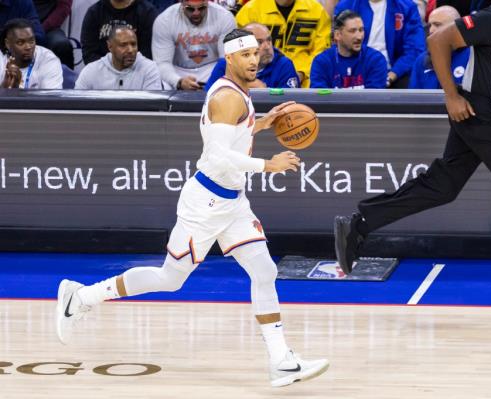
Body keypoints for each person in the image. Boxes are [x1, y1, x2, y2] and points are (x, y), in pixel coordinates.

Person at [56, 28, 329, 388]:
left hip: (232, 203)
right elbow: (217, 154)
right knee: (170, 279)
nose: (253, 59)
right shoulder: (227, 98)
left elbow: (231, 137)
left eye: (255, 53)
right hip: (206, 204)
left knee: (264, 270)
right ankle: (82, 297)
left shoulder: (238, 96)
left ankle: (281, 361)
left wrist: (258, 125)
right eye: (244, 54)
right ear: (228, 58)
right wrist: (268, 165)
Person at [333, 0, 491, 310]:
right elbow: (437, 40)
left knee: (442, 186)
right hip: (478, 110)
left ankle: (359, 224)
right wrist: (451, 95)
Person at [235, 0, 331, 87]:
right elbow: (241, 50)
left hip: (308, 81)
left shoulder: (317, 11)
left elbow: (321, 54)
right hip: (264, 77)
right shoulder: (250, 11)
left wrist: (302, 72)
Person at [334, 0, 425, 88]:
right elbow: (340, 45)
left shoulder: (407, 7)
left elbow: (414, 49)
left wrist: (392, 75)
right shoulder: (346, 5)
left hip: (395, 73)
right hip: (355, 71)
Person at [152, 0, 236, 90]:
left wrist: (212, 83)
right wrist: (178, 81)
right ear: (182, 4)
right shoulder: (165, 20)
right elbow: (162, 63)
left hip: (213, 70)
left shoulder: (224, 17)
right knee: (161, 85)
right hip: (178, 72)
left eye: (202, 8)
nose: (196, 13)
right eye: (190, 9)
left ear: (207, 3)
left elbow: (227, 59)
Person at [205, 22, 299, 91]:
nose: (267, 47)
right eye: (259, 42)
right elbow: (209, 97)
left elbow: (291, 102)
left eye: (269, 40)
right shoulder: (226, 64)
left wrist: (265, 92)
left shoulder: (284, 65)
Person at [310, 10, 387, 89]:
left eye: (361, 30)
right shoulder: (321, 62)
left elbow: (374, 99)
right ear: (337, 35)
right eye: (352, 31)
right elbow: (320, 98)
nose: (359, 37)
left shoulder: (376, 60)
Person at [75, 24, 162, 89]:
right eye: (123, 45)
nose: (130, 50)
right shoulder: (91, 71)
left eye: (133, 44)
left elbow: (153, 109)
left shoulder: (149, 69)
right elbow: (77, 106)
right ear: (110, 46)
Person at [408, 5, 469, 89]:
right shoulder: (421, 61)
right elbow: (413, 99)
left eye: (437, 25)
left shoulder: (473, 57)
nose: (431, 30)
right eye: (430, 25)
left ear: (456, 27)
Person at [81, 0, 158, 65]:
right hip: (101, 73)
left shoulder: (147, 13)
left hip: (136, 73)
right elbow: (89, 54)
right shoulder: (94, 12)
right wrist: (111, 71)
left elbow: (148, 55)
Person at [1, 18, 62, 88]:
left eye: (31, 41)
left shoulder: (48, 60)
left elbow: (51, 97)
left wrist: (17, 91)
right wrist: (4, 88)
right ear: (8, 43)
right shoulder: (1, 59)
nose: (28, 47)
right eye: (20, 42)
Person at [33, 0, 74, 68]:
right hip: (22, 26)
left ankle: (67, 77)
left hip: (49, 28)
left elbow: (63, 8)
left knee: (62, 45)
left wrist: (41, 29)